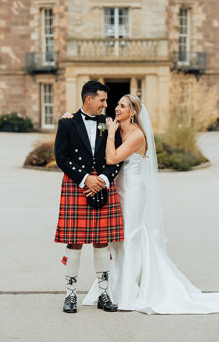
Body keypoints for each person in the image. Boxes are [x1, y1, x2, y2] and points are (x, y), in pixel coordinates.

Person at [65, 94, 219, 314]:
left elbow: (112, 159)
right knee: (116, 239)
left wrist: (111, 134)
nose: (116, 108)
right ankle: (111, 289)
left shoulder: (136, 135)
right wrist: (69, 117)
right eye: (117, 104)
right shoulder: (114, 127)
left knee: (131, 236)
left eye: (122, 106)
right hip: (117, 189)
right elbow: (88, 124)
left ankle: (128, 292)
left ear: (133, 112)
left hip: (133, 189)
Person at [53, 81, 125, 314]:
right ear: (88, 99)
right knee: (74, 240)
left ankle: (104, 294)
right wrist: (86, 179)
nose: (106, 104)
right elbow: (61, 157)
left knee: (101, 240)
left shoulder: (109, 124)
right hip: (78, 184)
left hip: (102, 182)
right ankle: (70, 295)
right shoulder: (67, 123)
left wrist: (103, 179)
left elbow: (117, 157)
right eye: (102, 100)